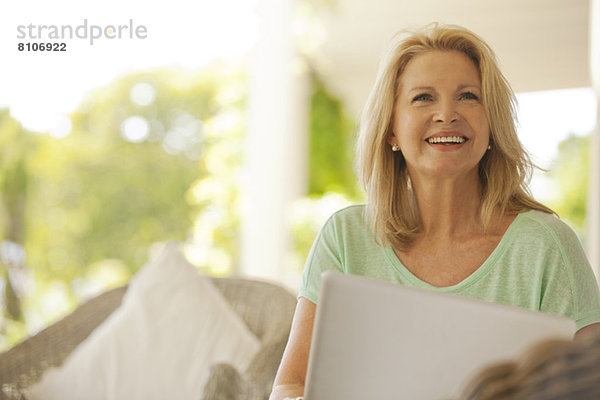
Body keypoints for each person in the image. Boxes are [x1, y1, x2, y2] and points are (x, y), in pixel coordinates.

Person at [269, 23, 600, 400]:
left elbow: (590, 387)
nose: (446, 114)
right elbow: (289, 386)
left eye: (468, 97)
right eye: (423, 97)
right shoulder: (345, 238)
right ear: (391, 129)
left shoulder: (547, 247)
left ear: (491, 125)